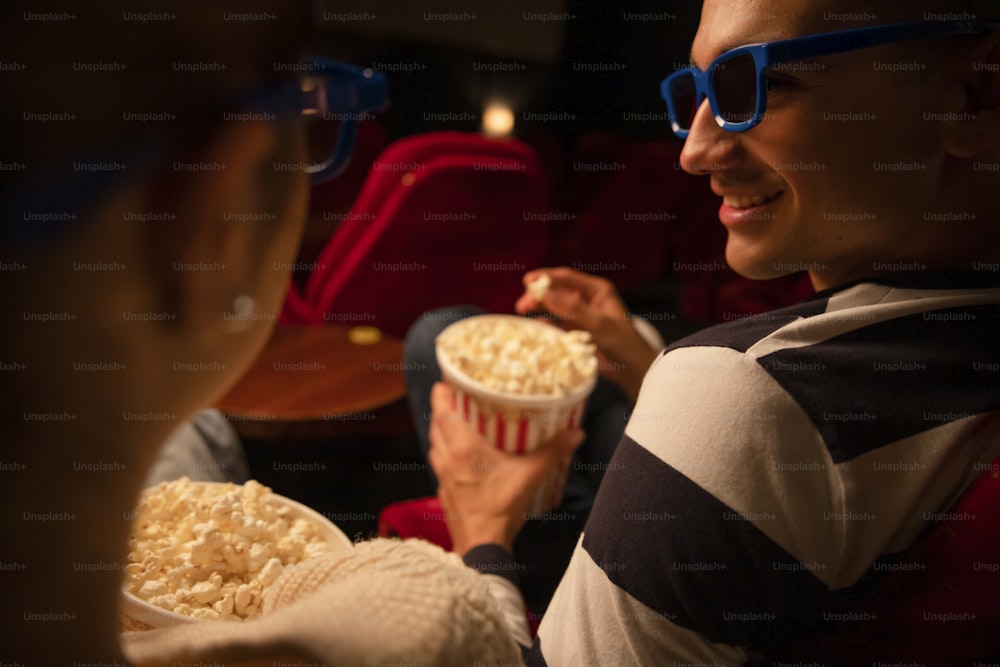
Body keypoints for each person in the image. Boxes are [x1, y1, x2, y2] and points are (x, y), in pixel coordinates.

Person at [425, 0, 1000, 663]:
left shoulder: (739, 390)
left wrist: (482, 533)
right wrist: (641, 353)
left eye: (755, 83)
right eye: (696, 92)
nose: (694, 153)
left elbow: (757, 429)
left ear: (977, 93)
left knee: (433, 339)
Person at [0, 1, 523, 664]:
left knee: (199, 428)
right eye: (313, 120)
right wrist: (487, 542)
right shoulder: (436, 622)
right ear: (217, 222)